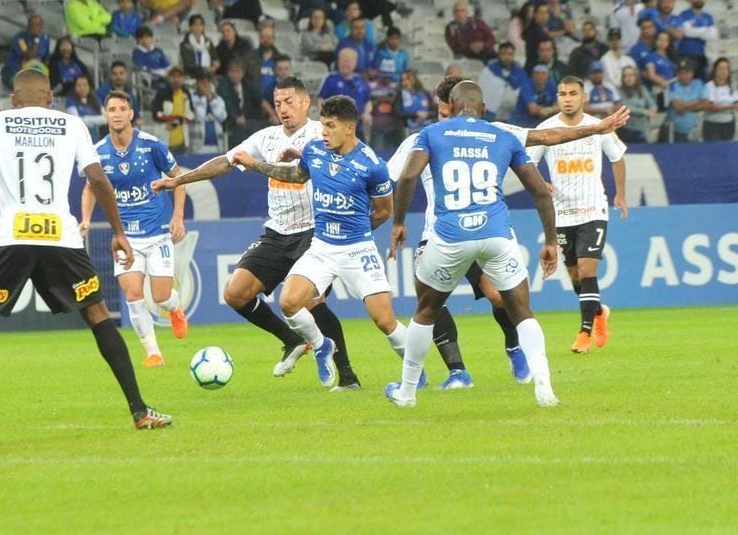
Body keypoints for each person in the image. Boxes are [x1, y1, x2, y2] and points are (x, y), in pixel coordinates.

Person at [0, 69, 173, 438]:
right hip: (61, 237)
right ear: (50, 98)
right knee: (98, 314)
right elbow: (98, 178)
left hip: (12, 235)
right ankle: (139, 410)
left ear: (14, 100)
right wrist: (118, 232)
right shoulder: (72, 125)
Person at [153, 78, 361, 389]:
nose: (283, 109)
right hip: (277, 233)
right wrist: (180, 180)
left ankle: (347, 376)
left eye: (290, 101)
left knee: (310, 302)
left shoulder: (324, 133)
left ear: (306, 103)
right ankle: (292, 340)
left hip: (315, 232)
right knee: (234, 293)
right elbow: (226, 162)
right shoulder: (267, 138)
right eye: (278, 103)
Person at [386, 80, 560, 408]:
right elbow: (539, 190)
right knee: (522, 311)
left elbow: (408, 177)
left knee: (425, 311)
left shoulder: (432, 134)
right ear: (483, 110)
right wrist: (550, 240)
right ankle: (544, 388)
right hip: (496, 234)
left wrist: (398, 223)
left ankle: (407, 393)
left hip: (449, 236)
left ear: (449, 107)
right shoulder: (502, 135)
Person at [229, 92, 408, 383]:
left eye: (331, 126)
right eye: (323, 124)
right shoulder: (314, 150)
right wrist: (255, 165)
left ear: (350, 128)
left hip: (357, 248)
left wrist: (356, 232)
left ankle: (415, 371)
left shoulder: (373, 165)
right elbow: (296, 176)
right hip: (322, 247)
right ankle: (322, 345)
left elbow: (384, 211)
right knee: (289, 302)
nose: (323, 131)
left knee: (384, 320)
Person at [79, 90, 188, 367]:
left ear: (131, 114)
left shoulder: (152, 146)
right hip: (124, 237)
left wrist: (178, 217)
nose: (116, 114)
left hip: (157, 231)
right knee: (133, 294)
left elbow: (179, 178)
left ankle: (174, 308)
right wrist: (86, 219)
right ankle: (154, 353)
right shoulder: (98, 152)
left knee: (161, 295)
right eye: (112, 109)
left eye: (122, 109)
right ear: (106, 115)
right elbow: (90, 188)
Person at [527, 74, 626, 353]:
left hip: (593, 208)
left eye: (572, 93)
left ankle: (584, 334)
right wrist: (538, 180)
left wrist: (621, 193)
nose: (567, 98)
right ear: (557, 97)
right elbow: (526, 162)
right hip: (561, 212)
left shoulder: (599, 126)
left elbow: (617, 157)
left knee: (586, 269)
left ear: (584, 97)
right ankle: (598, 313)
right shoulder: (546, 130)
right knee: (574, 277)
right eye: (562, 94)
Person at [660, 62, 706, 142]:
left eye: (686, 73)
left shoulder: (698, 83)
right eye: (680, 73)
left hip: (694, 131)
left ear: (692, 73)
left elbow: (705, 104)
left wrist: (685, 106)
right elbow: (678, 107)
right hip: (673, 132)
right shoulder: (673, 85)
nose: (683, 76)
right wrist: (697, 101)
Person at [702, 58, 738, 141]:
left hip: (729, 125)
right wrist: (730, 107)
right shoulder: (709, 86)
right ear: (715, 70)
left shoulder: (732, 86)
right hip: (712, 126)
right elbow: (711, 106)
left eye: (726, 68)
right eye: (720, 68)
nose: (723, 71)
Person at [616, 66, 655, 144]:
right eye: (626, 76)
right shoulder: (619, 90)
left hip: (643, 129)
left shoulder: (642, 89)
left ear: (636, 77)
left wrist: (653, 109)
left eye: (631, 75)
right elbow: (625, 107)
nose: (629, 78)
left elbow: (652, 103)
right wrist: (644, 112)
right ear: (622, 78)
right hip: (626, 130)